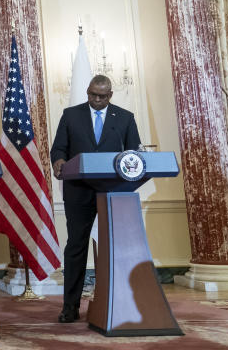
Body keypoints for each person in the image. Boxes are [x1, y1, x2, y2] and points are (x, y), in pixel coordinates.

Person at [50, 74, 141, 323]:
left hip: (113, 191)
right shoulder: (71, 115)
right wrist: (58, 160)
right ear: (87, 92)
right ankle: (70, 307)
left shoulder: (124, 118)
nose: (96, 100)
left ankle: (121, 302)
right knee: (76, 247)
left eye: (102, 96)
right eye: (92, 95)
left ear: (110, 95)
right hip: (79, 191)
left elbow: (134, 153)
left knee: (117, 246)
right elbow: (58, 148)